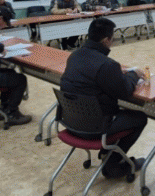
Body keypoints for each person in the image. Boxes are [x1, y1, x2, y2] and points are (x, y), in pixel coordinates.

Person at [60, 18, 147, 179]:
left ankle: (108, 154)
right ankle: (112, 164)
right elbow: (125, 91)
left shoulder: (74, 56)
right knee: (139, 117)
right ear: (107, 40)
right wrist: (134, 74)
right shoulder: (107, 65)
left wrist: (117, 75)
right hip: (95, 129)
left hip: (72, 123)